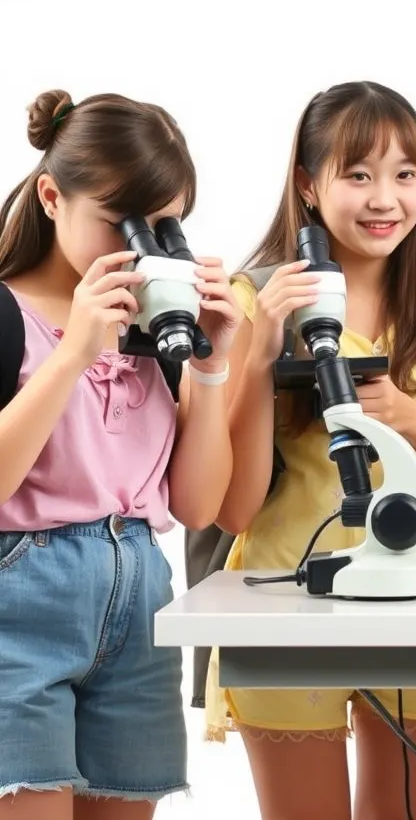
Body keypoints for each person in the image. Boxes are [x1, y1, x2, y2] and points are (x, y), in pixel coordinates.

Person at [205, 81, 416, 820]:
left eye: (405, 174)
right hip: (284, 600)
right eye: (358, 174)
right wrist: (258, 354)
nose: (385, 198)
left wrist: (411, 419)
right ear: (308, 185)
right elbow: (233, 506)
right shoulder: (249, 301)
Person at [0, 89, 239, 819]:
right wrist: (73, 350)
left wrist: (211, 365)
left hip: (138, 608)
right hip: (20, 611)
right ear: (51, 195)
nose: (141, 247)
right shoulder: (11, 315)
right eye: (121, 221)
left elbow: (199, 507)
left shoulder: (151, 334)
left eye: (165, 226)